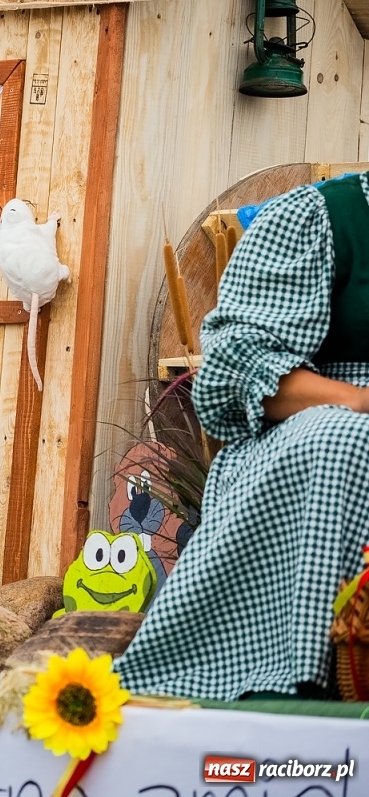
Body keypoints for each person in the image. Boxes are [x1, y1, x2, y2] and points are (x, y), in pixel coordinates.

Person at [117, 171, 369, 700]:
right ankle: (291, 677)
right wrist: (360, 402)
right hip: (312, 435)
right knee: (345, 440)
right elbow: (235, 373)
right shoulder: (326, 219)